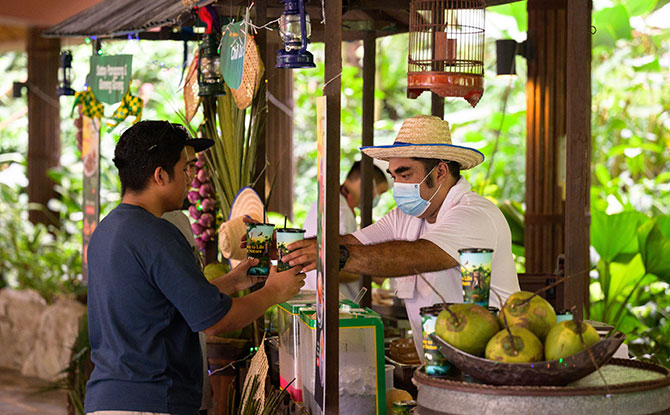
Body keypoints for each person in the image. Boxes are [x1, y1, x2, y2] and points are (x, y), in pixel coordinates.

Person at [84, 120, 305, 415]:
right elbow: (216, 321)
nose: (190, 178)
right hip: (150, 402)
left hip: (109, 400)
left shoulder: (108, 229)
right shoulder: (157, 234)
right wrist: (273, 293)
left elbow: (162, 303)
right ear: (160, 175)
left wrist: (234, 281)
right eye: (186, 168)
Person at [284, 115, 520, 358]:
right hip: (439, 368)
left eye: (405, 175)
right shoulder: (405, 217)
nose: (398, 186)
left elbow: (418, 256)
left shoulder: (475, 214)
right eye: (395, 177)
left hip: (497, 363)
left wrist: (335, 255)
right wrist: (288, 248)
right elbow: (353, 243)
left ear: (440, 172)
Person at [302, 160, 389, 299]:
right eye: (380, 192)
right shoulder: (340, 212)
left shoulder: (329, 202)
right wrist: (371, 271)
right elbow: (332, 266)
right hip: (331, 305)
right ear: (367, 183)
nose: (377, 198)